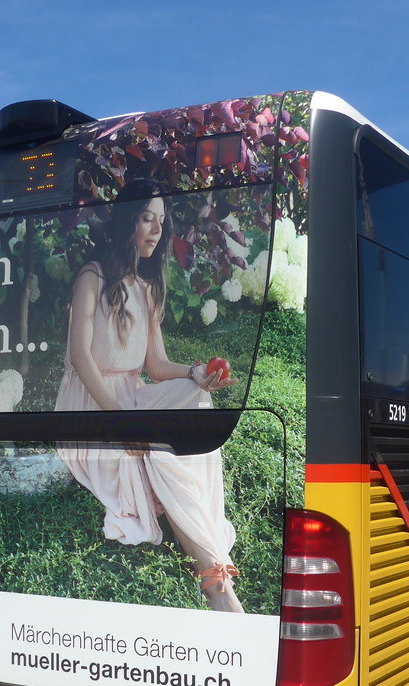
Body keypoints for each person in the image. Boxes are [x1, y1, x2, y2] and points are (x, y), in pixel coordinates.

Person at [55, 181, 242, 613]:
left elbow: (156, 365)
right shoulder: (92, 276)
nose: (155, 231)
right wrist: (123, 423)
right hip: (92, 402)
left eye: (161, 222)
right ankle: (213, 578)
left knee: (197, 399)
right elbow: (82, 359)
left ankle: (205, 540)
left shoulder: (147, 286)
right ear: (128, 222)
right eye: (146, 219)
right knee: (156, 448)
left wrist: (196, 373)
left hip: (130, 395)